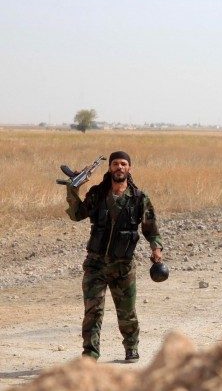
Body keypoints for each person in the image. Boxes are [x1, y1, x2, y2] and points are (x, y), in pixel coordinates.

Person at [65, 151, 163, 363]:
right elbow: (76, 215)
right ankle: (90, 354)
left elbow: (151, 229)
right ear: (110, 168)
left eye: (123, 164)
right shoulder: (97, 194)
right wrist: (73, 190)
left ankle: (131, 347)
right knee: (93, 312)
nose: (119, 167)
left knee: (127, 313)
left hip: (123, 267)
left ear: (129, 169)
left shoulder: (139, 198)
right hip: (96, 264)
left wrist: (156, 248)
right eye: (116, 164)